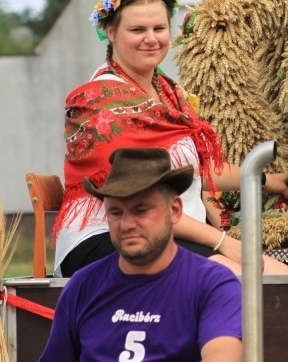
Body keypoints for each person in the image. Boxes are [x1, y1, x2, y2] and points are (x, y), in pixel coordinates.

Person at [54, 0, 288, 277]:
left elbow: (196, 170)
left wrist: (262, 179)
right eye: (137, 30)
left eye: (159, 28)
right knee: (245, 277)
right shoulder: (97, 101)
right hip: (111, 238)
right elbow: (138, 197)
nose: (151, 38)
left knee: (284, 277)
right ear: (111, 32)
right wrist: (223, 242)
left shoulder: (169, 93)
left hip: (168, 232)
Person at [40, 148, 242, 361]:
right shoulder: (82, 286)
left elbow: (222, 355)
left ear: (174, 211)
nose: (127, 224)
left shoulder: (212, 285)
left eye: (141, 210)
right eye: (116, 212)